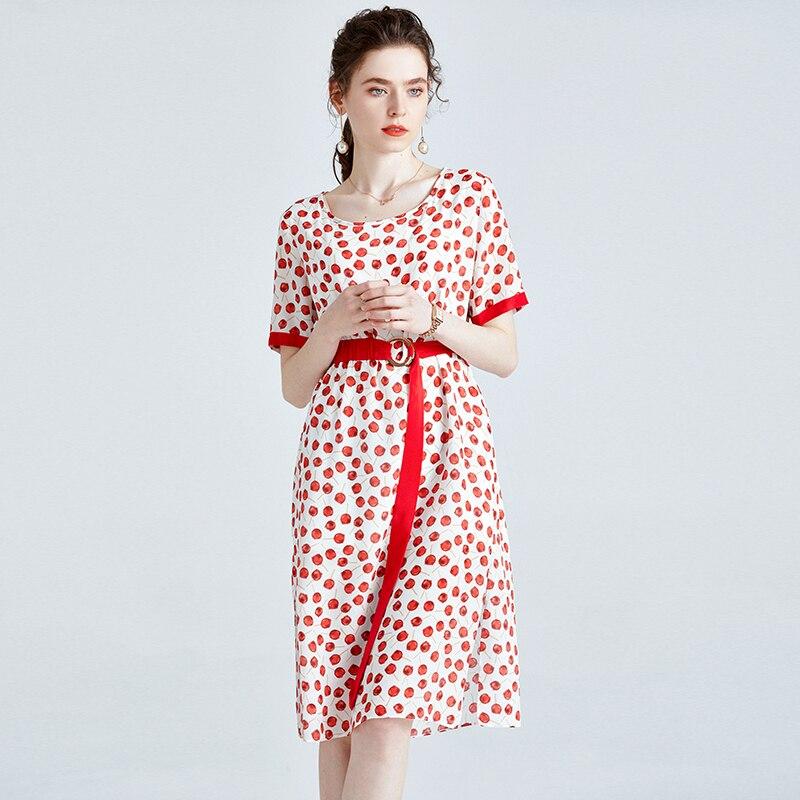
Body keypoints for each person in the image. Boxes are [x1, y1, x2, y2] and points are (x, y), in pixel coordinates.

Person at [267, 8, 530, 800]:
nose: (397, 108)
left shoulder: (468, 198)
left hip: (445, 461)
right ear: (339, 95)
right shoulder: (304, 225)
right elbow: (294, 385)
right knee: (343, 708)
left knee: (388, 711)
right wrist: (330, 326)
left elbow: (505, 354)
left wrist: (434, 319)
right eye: (378, 89)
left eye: (415, 89)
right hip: (341, 472)